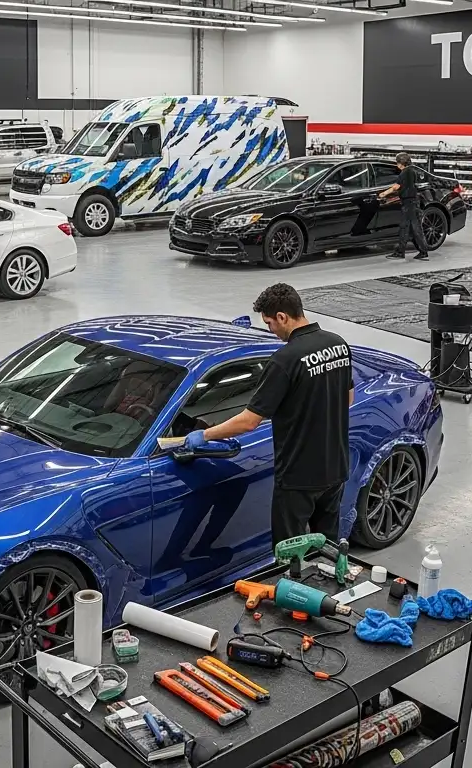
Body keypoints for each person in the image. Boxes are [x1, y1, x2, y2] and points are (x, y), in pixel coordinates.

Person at [183, 283, 354, 545]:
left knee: (289, 552)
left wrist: (205, 434)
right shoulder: (337, 344)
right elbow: (348, 399)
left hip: (299, 475)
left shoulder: (285, 360)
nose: (270, 330)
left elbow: (250, 421)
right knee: (326, 547)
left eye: (269, 323)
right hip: (335, 468)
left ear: (283, 317)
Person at [379, 152, 429, 261]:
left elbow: (396, 187)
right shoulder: (413, 171)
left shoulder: (405, 172)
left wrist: (384, 193)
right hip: (414, 202)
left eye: (398, 162)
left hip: (408, 204)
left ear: (402, 163)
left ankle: (400, 252)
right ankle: (423, 251)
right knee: (415, 228)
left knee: (405, 228)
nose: (397, 165)